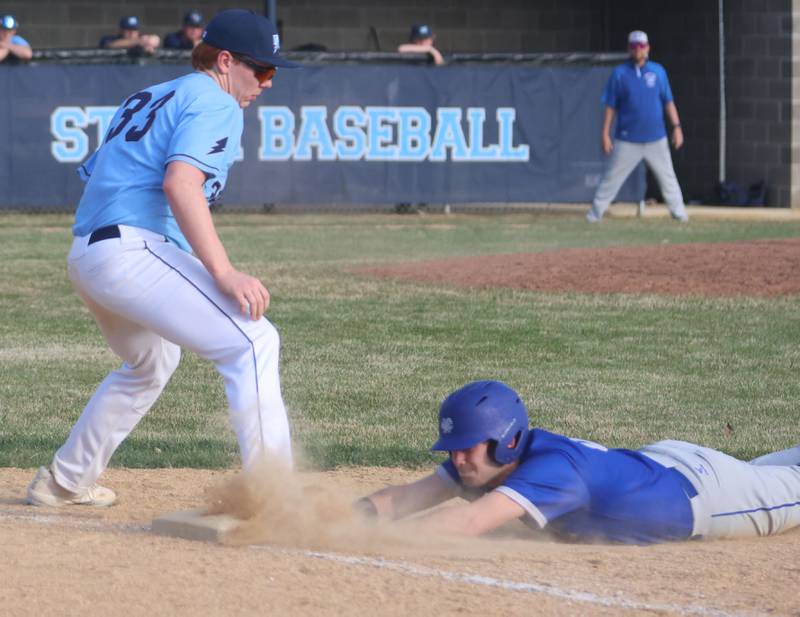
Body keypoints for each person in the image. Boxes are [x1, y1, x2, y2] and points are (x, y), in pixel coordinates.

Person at [27, 9, 299, 508]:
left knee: (150, 362)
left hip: (89, 253)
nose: (267, 82)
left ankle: (64, 481)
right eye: (261, 70)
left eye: (271, 72)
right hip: (131, 252)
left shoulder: (149, 95)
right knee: (254, 341)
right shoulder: (218, 103)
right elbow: (181, 184)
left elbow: (101, 175)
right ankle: (274, 499)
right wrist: (223, 271)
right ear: (224, 61)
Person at [355, 380, 800, 544]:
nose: (458, 458)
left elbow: (469, 523)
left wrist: (356, 540)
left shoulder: (551, 471)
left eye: (468, 447)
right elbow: (409, 498)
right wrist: (352, 515)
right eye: (453, 447)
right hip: (669, 463)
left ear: (505, 442)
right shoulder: (490, 458)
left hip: (713, 497)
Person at [586, 30, 688, 223]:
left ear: (648, 48)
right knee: (611, 178)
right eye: (634, 46)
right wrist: (605, 133)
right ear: (629, 49)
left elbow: (668, 101)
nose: (638, 50)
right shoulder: (620, 74)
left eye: (641, 46)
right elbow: (610, 106)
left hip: (656, 138)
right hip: (627, 138)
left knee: (668, 177)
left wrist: (677, 127)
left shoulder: (658, 72)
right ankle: (595, 213)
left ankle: (679, 213)